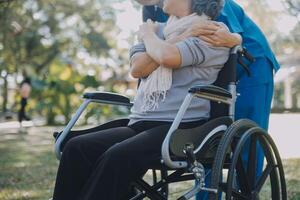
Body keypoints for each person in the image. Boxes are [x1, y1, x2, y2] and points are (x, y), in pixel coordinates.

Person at [52, 0, 229, 199]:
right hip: (140, 122)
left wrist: (147, 35)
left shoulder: (209, 31)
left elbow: (166, 56)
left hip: (181, 128)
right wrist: (179, 36)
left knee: (118, 155)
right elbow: (138, 68)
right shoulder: (159, 30)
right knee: (77, 147)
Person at [135, 0, 279, 199]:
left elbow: (227, 37)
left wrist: (235, 38)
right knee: (207, 134)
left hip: (251, 65)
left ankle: (247, 193)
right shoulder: (152, 11)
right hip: (208, 71)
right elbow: (156, 50)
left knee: (246, 142)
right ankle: (206, 195)